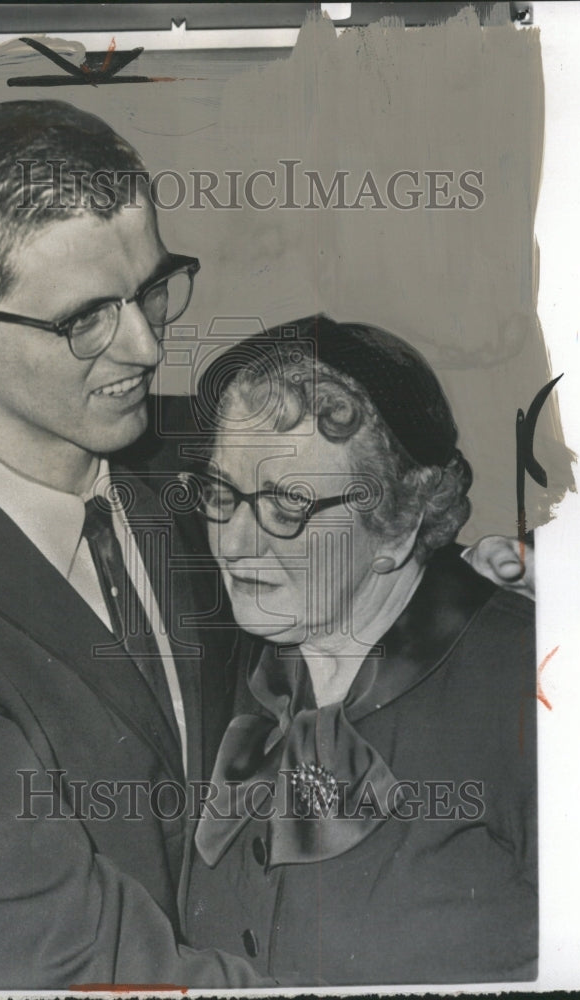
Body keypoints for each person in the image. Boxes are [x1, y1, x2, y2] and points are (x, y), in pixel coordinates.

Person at [0, 100, 530, 988]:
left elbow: (348, 525)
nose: (142, 347)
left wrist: (462, 580)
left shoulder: (195, 473)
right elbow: (72, 956)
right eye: (84, 321)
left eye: (150, 291)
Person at [181, 316, 537, 984]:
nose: (231, 543)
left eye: (286, 505)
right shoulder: (240, 669)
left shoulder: (533, 687)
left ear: (398, 524)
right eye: (220, 492)